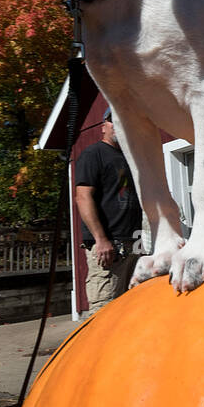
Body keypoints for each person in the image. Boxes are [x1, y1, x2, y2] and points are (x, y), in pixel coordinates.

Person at [74, 109, 143, 311]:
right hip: (108, 247)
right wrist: (101, 239)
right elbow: (82, 197)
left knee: (130, 310)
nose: (118, 126)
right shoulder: (93, 154)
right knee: (104, 311)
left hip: (133, 245)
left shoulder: (130, 158)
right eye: (114, 121)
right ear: (104, 126)